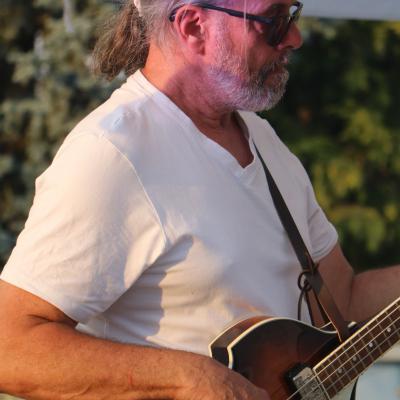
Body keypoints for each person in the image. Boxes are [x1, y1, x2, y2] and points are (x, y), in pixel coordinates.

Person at [0, 0, 399, 399]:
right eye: (273, 21)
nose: (293, 37)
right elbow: (9, 346)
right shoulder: (114, 152)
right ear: (194, 26)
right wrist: (188, 378)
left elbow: (343, 299)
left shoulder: (262, 140)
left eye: (291, 15)